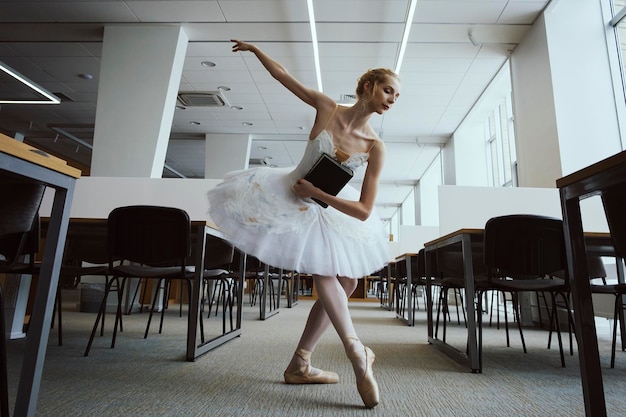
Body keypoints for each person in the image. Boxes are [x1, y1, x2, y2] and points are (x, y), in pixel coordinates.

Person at [207, 39, 400, 409]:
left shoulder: (376, 147)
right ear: (367, 87)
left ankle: (300, 364)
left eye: (396, 95)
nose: (392, 98)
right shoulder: (327, 107)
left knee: (348, 280)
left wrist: (319, 193)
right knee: (329, 274)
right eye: (388, 89)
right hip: (288, 197)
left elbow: (362, 210)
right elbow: (285, 77)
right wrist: (256, 51)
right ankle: (355, 350)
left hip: (323, 206)